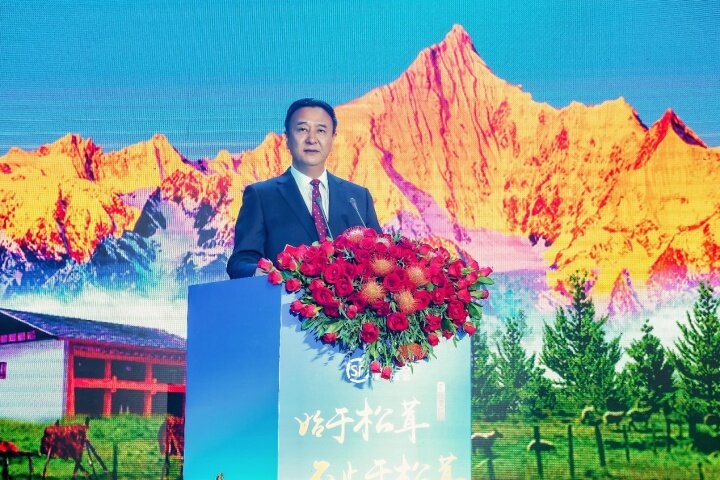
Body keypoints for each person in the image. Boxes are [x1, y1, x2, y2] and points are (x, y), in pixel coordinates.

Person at [226, 98, 382, 279]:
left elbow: (380, 255)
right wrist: (260, 273)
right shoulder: (261, 196)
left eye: (321, 130)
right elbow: (240, 262)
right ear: (287, 138)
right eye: (302, 129)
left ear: (333, 138)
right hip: (285, 295)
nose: (312, 139)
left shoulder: (358, 198)